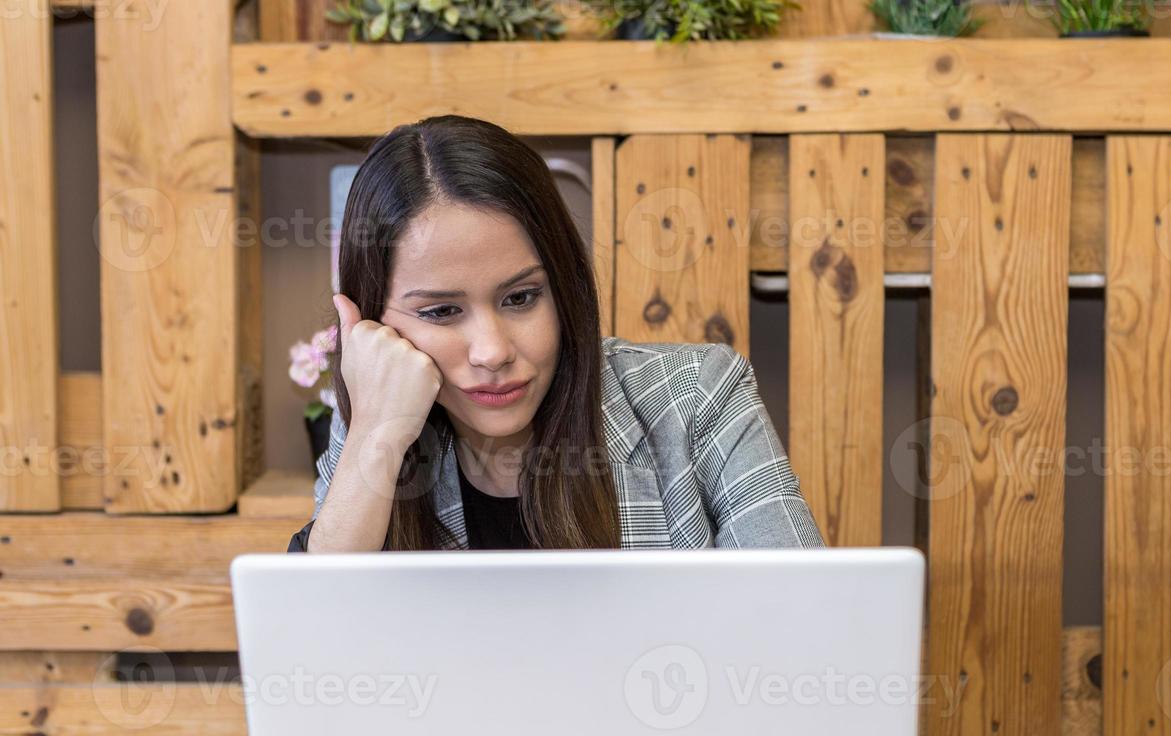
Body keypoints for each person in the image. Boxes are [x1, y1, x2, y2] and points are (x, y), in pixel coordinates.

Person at [289, 114, 823, 553]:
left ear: (563, 288)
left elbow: (804, 626)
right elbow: (315, 657)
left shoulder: (699, 394)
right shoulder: (376, 416)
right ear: (374, 327)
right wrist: (376, 439)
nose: (494, 351)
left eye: (521, 299)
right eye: (442, 311)